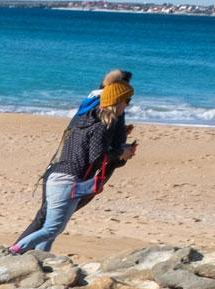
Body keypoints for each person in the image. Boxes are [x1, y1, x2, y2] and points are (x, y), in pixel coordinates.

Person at [11, 82, 136, 254]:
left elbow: (91, 151)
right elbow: (97, 158)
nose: (128, 105)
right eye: (127, 101)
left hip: (56, 175)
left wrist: (118, 148)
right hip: (68, 180)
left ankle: (40, 258)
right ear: (117, 101)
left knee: (52, 228)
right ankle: (13, 251)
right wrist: (121, 153)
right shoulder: (101, 125)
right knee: (51, 229)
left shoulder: (83, 119)